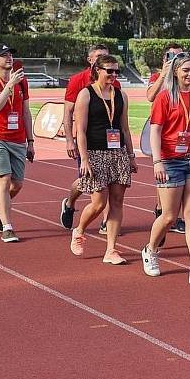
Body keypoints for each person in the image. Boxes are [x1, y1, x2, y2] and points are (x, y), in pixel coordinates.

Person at [142, 53, 190, 285]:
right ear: (175, 71)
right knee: (170, 215)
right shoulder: (165, 98)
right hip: (170, 160)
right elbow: (155, 130)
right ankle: (150, 250)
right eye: (186, 70)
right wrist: (157, 161)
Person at [70, 54, 137, 264]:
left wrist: (131, 156)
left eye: (117, 71)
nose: (114, 75)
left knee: (117, 202)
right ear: (98, 70)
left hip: (117, 154)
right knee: (99, 203)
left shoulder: (121, 95)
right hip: (95, 152)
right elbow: (80, 131)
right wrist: (84, 159)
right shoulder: (86, 94)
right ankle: (79, 230)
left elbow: (124, 129)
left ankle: (111, 249)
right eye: (110, 71)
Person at [60, 44, 119, 231]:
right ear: (91, 60)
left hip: (110, 142)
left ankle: (104, 222)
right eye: (100, 56)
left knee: (108, 183)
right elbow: (68, 112)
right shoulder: (78, 81)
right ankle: (69, 203)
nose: (104, 59)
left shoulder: (113, 81)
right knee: (88, 180)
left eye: (107, 56)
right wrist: (70, 139)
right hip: (87, 141)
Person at [0, 44, 34, 243]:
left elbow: (26, 112)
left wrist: (30, 141)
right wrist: (9, 85)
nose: (9, 57)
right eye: (4, 55)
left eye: (11, 53)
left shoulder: (22, 82)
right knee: (4, 179)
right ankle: (8, 227)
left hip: (18, 139)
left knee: (17, 184)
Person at [147, 42, 186, 235]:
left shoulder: (184, 78)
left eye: (179, 56)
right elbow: (150, 96)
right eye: (171, 56)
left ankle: (171, 215)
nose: (175, 60)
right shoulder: (157, 76)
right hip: (161, 132)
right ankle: (162, 212)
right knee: (163, 176)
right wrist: (164, 74)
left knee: (177, 181)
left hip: (180, 134)